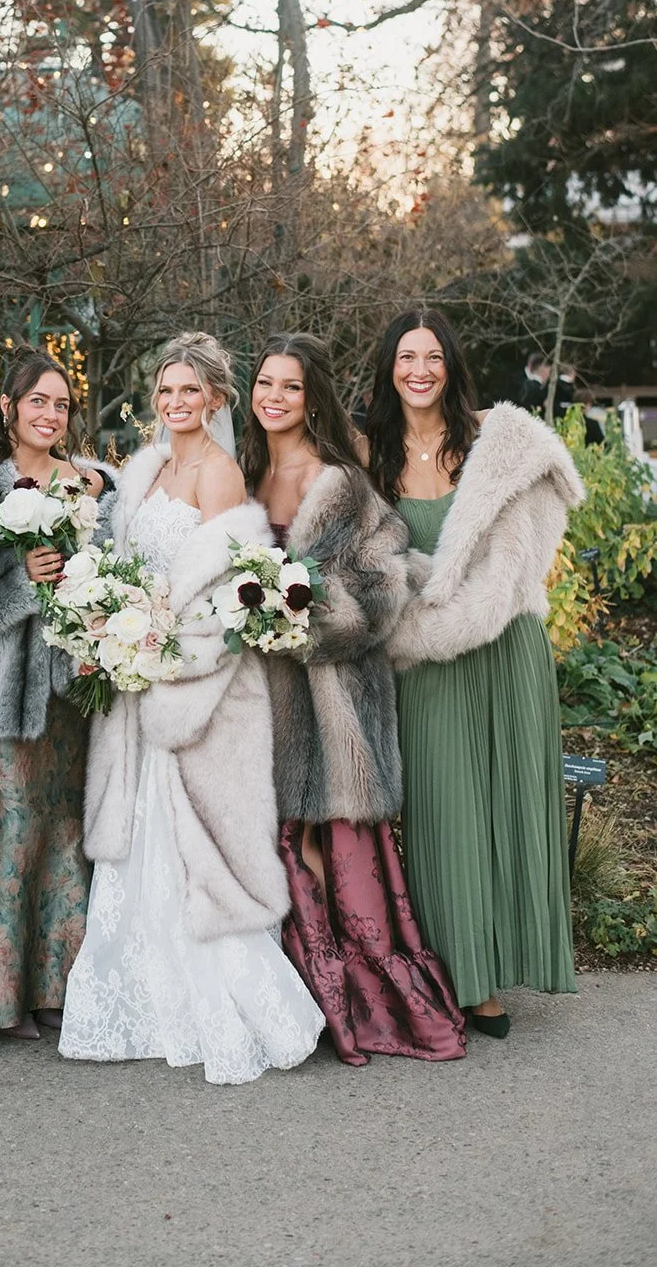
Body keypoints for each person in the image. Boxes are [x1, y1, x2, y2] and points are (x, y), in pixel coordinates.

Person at [59, 332, 324, 1084]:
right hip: (134, 680)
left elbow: (215, 598)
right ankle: (138, 998)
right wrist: (104, 620)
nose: (175, 402)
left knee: (184, 844)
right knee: (139, 841)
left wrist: (149, 635)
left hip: (185, 684)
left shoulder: (215, 474)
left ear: (214, 398)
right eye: (165, 391)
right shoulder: (150, 469)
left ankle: (219, 1005)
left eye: (189, 391)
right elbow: (127, 565)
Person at [244, 333, 465, 1065]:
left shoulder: (339, 481)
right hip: (257, 703)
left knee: (333, 850)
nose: (274, 397)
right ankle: (282, 1005)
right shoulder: (241, 476)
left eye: (290, 387)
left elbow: (378, 590)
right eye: (265, 384)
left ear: (313, 400)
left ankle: (359, 1003)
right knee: (269, 847)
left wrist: (294, 613)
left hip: (333, 704)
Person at [367, 308, 582, 1037]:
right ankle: (460, 975)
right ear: (388, 368)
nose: (418, 370)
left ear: (450, 366)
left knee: (508, 802)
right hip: (423, 652)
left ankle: (503, 969)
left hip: (506, 644)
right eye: (405, 357)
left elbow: (534, 545)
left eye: (431, 356)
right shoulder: (370, 454)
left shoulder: (495, 443)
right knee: (442, 809)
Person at [0, 347, 113, 1041]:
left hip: (73, 685)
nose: (49, 415)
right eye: (36, 402)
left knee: (70, 832)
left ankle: (60, 989)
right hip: (6, 684)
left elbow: (115, 576)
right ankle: (1, 997)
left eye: (60, 404)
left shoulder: (91, 483)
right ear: (8, 405)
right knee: (13, 829)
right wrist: (24, 579)